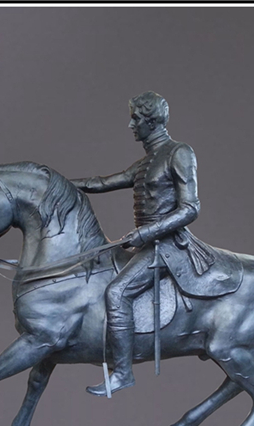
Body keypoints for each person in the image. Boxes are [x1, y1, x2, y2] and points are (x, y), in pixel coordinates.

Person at [71, 91, 212, 396]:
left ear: (151, 121)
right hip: (147, 245)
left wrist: (147, 233)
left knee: (117, 292)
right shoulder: (144, 163)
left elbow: (191, 208)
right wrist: (58, 183)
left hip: (168, 246)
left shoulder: (179, 153)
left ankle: (123, 373)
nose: (131, 125)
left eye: (135, 118)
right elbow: (102, 182)